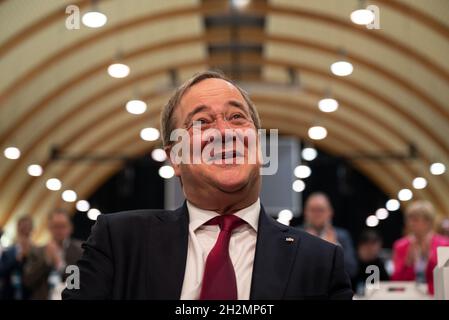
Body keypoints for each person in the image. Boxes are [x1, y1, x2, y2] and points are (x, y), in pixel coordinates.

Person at [62, 70, 353, 300]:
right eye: (201, 122)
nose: (224, 132)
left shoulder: (321, 261)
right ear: (175, 157)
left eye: (237, 117)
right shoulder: (118, 242)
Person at [392, 200, 449, 295]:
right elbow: (396, 280)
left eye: (415, 219)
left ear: (428, 222)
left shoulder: (444, 244)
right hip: (408, 295)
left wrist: (428, 257)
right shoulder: (401, 245)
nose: (411, 223)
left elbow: (445, 278)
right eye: (409, 219)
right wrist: (407, 263)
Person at [23, 209, 83, 299]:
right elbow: (28, 281)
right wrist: (46, 261)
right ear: (49, 228)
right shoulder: (37, 251)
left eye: (63, 226)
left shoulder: (80, 251)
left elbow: (79, 282)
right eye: (55, 226)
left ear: (70, 228)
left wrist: (59, 263)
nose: (59, 230)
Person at [303, 192, 358, 278]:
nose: (317, 214)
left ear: (330, 212)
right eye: (313, 210)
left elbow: (351, 270)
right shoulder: (297, 235)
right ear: (306, 212)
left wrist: (335, 248)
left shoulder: (342, 236)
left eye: (321, 210)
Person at [0, 216, 36, 300]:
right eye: (23, 227)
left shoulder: (37, 251)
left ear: (31, 229)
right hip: (9, 293)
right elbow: (1, 271)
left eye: (27, 227)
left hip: (30, 294)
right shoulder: (9, 251)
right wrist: (16, 260)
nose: (25, 230)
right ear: (18, 229)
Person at [352, 230, 389, 295]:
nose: (371, 249)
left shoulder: (379, 263)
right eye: (368, 246)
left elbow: (387, 284)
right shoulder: (352, 264)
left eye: (375, 245)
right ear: (360, 247)